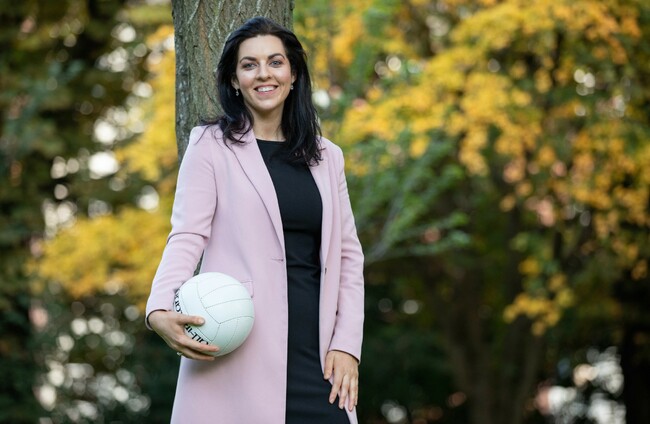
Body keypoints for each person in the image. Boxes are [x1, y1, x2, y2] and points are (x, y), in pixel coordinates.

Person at [145, 17, 365, 424]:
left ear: (293, 74)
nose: (264, 74)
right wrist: (159, 306)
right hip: (237, 351)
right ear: (234, 80)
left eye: (275, 62)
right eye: (249, 65)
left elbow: (349, 256)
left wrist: (347, 345)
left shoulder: (327, 156)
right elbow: (187, 235)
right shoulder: (209, 145)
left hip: (320, 358)